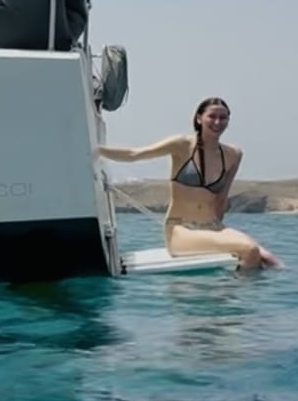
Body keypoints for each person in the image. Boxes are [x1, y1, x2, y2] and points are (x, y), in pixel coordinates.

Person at [98, 95, 280, 270]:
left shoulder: (233, 155)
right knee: (250, 250)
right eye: (212, 116)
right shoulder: (182, 145)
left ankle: (247, 294)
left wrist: (219, 231)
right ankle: (230, 298)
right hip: (180, 230)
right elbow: (134, 154)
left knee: (271, 261)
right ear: (199, 118)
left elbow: (221, 199)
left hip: (212, 226)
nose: (217, 122)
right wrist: (95, 150)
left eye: (223, 118)